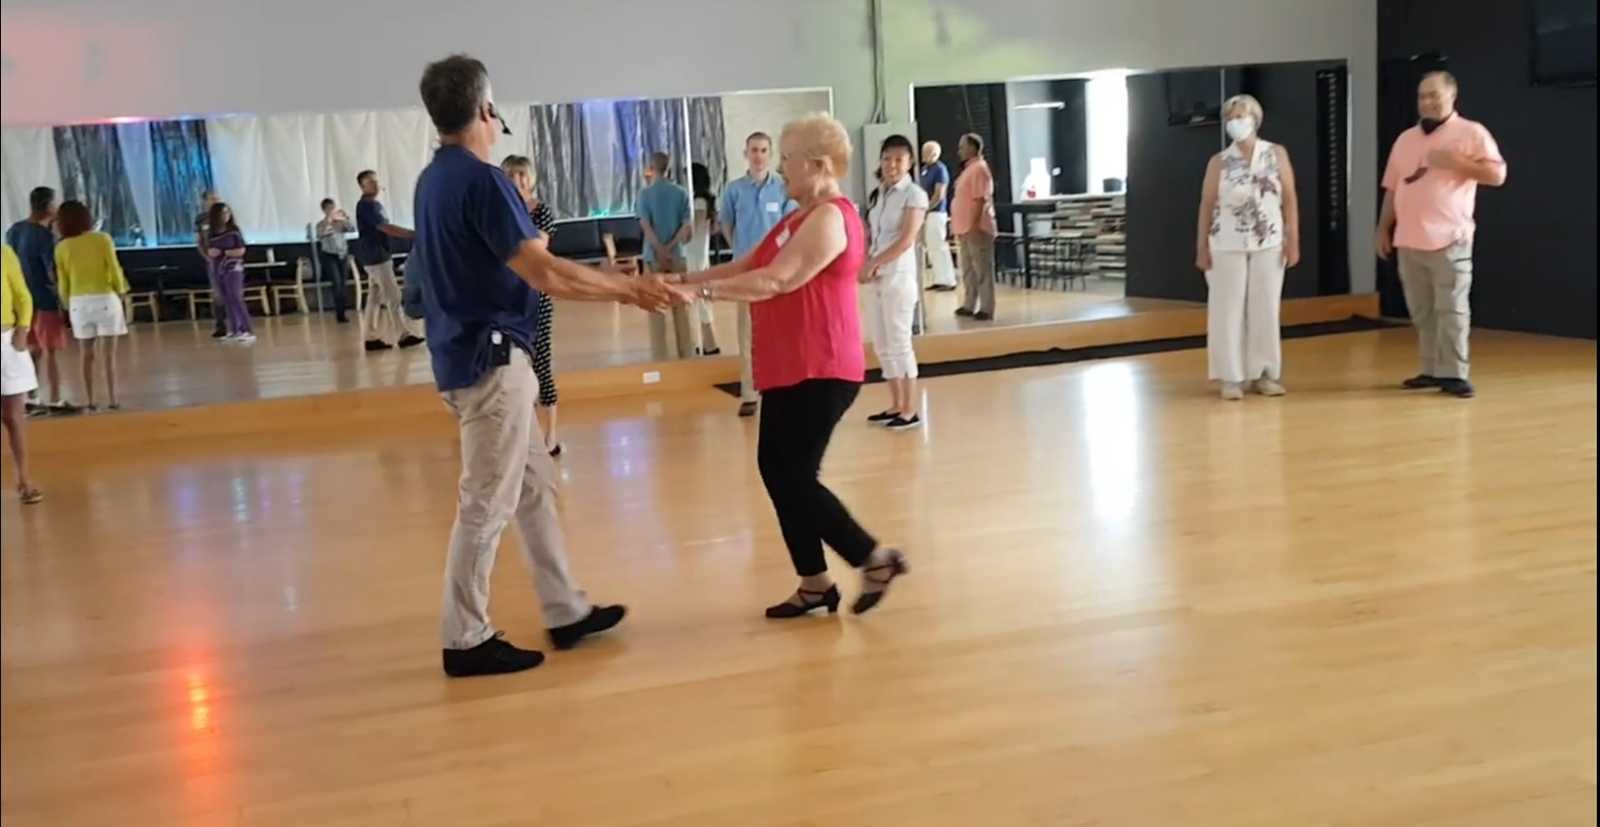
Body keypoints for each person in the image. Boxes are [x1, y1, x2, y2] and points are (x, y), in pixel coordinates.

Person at [411, 53, 683, 678]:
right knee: (486, 503)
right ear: (486, 110)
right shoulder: (482, 182)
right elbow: (546, 271)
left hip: (468, 355)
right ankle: (465, 638)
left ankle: (565, 609)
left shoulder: (433, 180)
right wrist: (630, 289)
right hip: (490, 362)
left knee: (534, 488)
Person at [673, 113, 909, 619]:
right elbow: (747, 266)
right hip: (789, 367)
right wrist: (679, 282)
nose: (780, 168)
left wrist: (700, 293)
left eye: (787, 159)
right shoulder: (797, 219)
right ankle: (814, 582)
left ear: (817, 165)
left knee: (792, 474)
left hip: (821, 366)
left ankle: (872, 559)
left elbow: (778, 280)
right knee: (779, 471)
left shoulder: (830, 218)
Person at [1376, 70, 1506, 400]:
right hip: (1409, 238)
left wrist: (1457, 162)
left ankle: (1455, 373)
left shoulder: (1471, 132)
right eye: (1422, 96)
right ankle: (1431, 368)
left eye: (1434, 95)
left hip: (1450, 238)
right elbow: (1393, 187)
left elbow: (1497, 175)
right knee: (1422, 310)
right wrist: (1383, 227)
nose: (1427, 102)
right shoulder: (1405, 139)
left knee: (1452, 309)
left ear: (1452, 95)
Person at [1195, 94, 1301, 401]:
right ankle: (1231, 377)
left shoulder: (1276, 154)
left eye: (1240, 116)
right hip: (1226, 242)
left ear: (1255, 118)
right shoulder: (1219, 161)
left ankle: (1264, 373)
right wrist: (1201, 247)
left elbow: (1289, 198)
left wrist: (1293, 239)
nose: (1235, 123)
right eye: (1230, 118)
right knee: (1227, 309)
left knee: (1265, 307)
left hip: (1269, 241)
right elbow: (1207, 204)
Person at [718, 132, 795, 417]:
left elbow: (790, 225)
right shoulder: (734, 190)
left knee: (782, 331)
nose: (758, 155)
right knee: (748, 333)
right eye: (754, 150)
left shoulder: (783, 189)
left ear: (770, 154)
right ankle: (750, 392)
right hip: (746, 272)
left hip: (778, 270)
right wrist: (740, 252)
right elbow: (727, 224)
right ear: (746, 153)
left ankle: (783, 388)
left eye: (763, 150)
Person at [862, 134, 929, 429]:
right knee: (882, 343)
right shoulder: (879, 194)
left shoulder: (914, 195)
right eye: (887, 159)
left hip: (898, 275)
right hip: (877, 277)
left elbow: (905, 240)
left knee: (900, 342)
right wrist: (866, 262)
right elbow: (873, 234)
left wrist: (874, 262)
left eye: (899, 159)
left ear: (910, 162)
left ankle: (909, 410)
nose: (891, 165)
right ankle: (896, 404)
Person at [500, 155, 562, 456]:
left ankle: (551, 435)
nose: (517, 181)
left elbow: (538, 248)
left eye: (522, 175)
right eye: (511, 175)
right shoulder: (499, 212)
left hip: (537, 297)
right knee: (513, 370)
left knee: (541, 365)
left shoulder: (541, 211)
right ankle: (525, 435)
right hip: (506, 300)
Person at [5, 186, 75, 413]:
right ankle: (55, 398)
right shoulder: (45, 236)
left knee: (32, 349)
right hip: (45, 299)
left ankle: (31, 397)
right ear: (49, 206)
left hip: (22, 302)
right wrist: (63, 298)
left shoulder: (14, 230)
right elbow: (51, 271)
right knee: (51, 349)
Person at [53, 200, 128, 411]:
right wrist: (121, 290)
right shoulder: (102, 239)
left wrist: (66, 304)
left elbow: (63, 282)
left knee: (86, 355)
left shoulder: (61, 247)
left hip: (78, 302)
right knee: (108, 355)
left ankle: (91, 399)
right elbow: (114, 268)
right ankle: (113, 398)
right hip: (105, 298)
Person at [635, 152, 697, 360]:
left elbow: (646, 225)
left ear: (651, 168)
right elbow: (686, 225)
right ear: (668, 169)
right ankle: (687, 354)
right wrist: (671, 247)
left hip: (653, 257)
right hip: (678, 255)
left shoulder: (644, 195)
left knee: (656, 309)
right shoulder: (680, 193)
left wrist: (660, 249)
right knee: (682, 308)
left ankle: (660, 357)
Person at [354, 170, 425, 352]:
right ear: (362, 186)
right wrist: (413, 234)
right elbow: (385, 227)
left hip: (378, 255)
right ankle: (403, 335)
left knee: (374, 298)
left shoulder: (374, 205)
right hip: (376, 257)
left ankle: (370, 337)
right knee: (393, 296)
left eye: (376, 181)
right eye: (371, 182)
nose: (376, 185)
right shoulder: (367, 206)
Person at [1, 243, 43, 504]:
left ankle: (24, 480)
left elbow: (23, 296)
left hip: (6, 343)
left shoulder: (4, 253)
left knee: (13, 417)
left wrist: (23, 329)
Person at [951, 133, 998, 321]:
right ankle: (969, 303)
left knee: (982, 269)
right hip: (964, 227)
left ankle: (986, 307)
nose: (959, 150)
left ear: (973, 148)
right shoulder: (969, 169)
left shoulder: (979, 169)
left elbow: (980, 199)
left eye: (962, 147)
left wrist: (975, 224)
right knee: (968, 269)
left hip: (976, 227)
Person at [205, 203, 255, 343]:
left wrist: (226, 252)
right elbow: (209, 250)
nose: (226, 216)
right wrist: (212, 253)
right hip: (218, 268)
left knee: (235, 297)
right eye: (223, 213)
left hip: (233, 267)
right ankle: (234, 329)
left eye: (227, 213)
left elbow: (241, 250)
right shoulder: (211, 233)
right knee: (226, 299)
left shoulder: (234, 231)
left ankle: (247, 329)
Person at [687, 162, 722, 354]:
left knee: (700, 297)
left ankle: (710, 342)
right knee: (700, 299)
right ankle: (706, 342)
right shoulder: (706, 200)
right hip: (700, 251)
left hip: (694, 252)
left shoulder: (699, 201)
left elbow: (696, 225)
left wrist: (682, 231)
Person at [919, 141, 958, 292]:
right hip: (926, 213)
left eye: (927, 152)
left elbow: (939, 194)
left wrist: (927, 208)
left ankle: (949, 280)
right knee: (931, 246)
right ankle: (939, 278)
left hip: (936, 212)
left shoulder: (940, 169)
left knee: (939, 245)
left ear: (935, 154)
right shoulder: (925, 170)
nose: (924, 154)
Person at [315, 198, 355, 324]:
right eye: (328, 209)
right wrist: (329, 222)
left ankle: (343, 311)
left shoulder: (340, 223)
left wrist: (346, 218)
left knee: (343, 284)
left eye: (332, 208)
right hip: (329, 255)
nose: (331, 211)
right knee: (336, 284)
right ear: (324, 210)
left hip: (343, 254)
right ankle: (339, 313)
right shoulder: (321, 224)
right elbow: (321, 235)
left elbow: (352, 229)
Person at [195, 191, 227, 339]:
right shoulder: (200, 219)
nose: (215, 201)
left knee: (232, 292)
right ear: (205, 201)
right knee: (217, 293)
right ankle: (221, 325)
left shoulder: (225, 215)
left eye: (217, 198)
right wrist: (207, 257)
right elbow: (199, 241)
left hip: (228, 259)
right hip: (213, 261)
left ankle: (238, 324)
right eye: (212, 199)